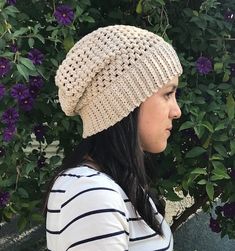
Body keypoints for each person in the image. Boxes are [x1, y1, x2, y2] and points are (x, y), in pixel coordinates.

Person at [45, 24, 183, 251]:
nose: (176, 111)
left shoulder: (117, 184)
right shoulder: (91, 194)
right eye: (168, 93)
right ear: (125, 102)